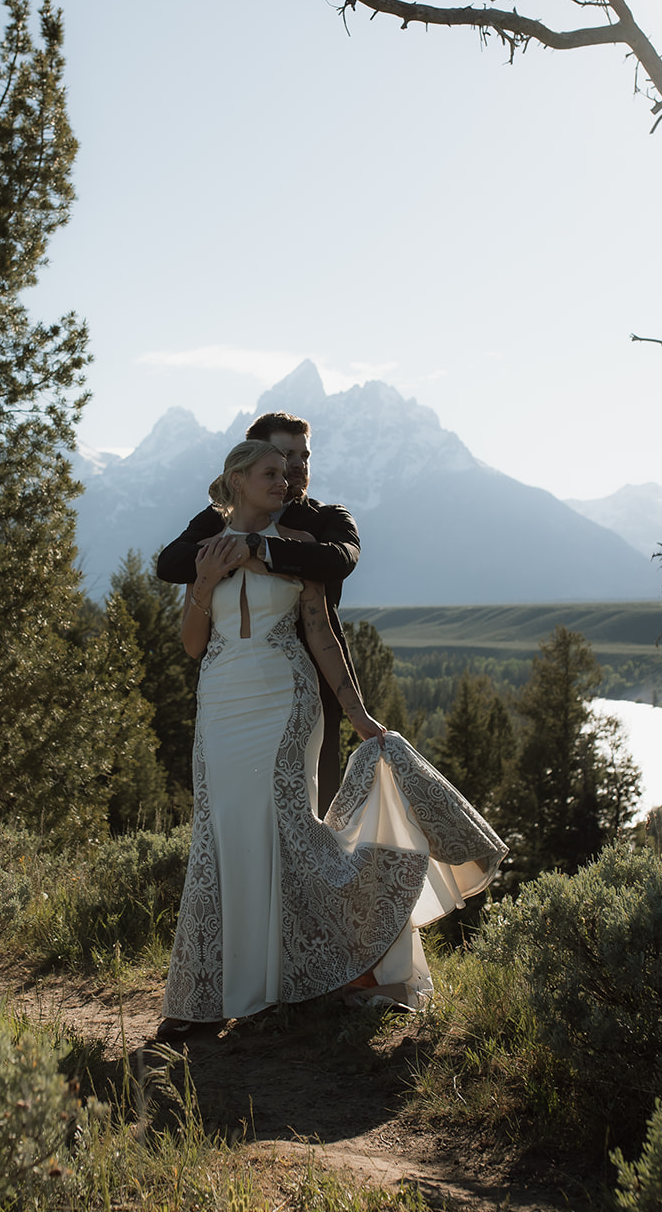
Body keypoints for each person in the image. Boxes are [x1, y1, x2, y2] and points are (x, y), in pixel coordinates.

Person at [156, 439, 507, 1040]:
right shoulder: (203, 550)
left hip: (283, 699)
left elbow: (320, 634)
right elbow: (192, 644)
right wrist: (203, 580)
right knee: (222, 831)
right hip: (219, 701)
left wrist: (357, 711)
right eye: (271, 472)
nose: (286, 480)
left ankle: (297, 982)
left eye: (289, 472)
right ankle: (209, 994)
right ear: (236, 480)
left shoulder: (299, 552)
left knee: (284, 826)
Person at [156, 411, 358, 814]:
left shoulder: (326, 519)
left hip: (311, 688)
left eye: (305, 456)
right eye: (287, 456)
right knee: (235, 813)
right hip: (232, 691)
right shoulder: (218, 521)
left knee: (315, 814)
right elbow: (171, 563)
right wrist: (230, 550)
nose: (297, 467)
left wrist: (260, 550)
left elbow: (339, 560)